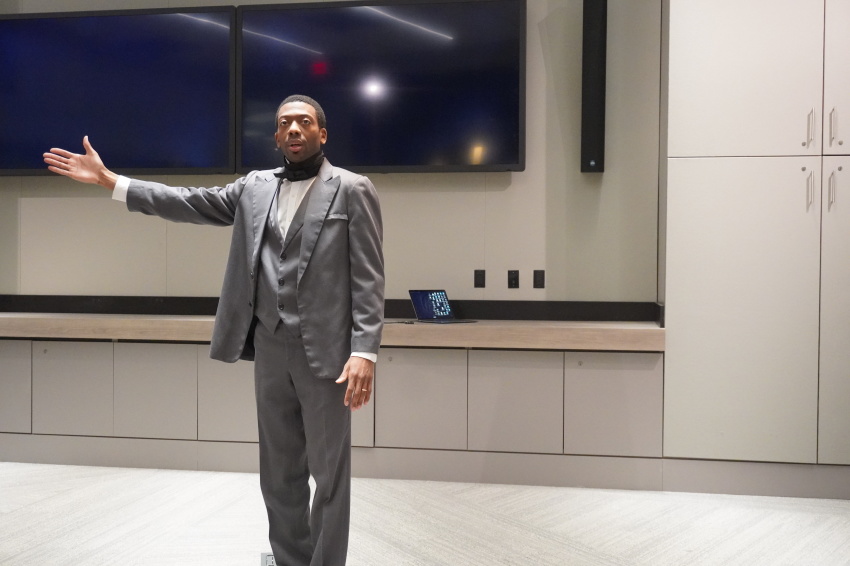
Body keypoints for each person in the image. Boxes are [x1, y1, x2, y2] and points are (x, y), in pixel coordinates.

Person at [43, 94, 385, 566]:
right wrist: (110, 182)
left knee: (329, 477)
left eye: (304, 122)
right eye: (284, 122)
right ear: (276, 136)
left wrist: (364, 350)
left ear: (321, 133)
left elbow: (369, 276)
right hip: (269, 348)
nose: (293, 129)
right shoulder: (254, 188)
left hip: (328, 356)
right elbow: (186, 202)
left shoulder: (352, 188)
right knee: (279, 474)